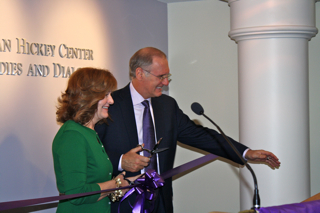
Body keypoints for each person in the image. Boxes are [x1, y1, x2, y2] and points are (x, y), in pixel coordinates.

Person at [95, 47, 281, 213]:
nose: (166, 82)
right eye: (161, 77)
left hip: (161, 201)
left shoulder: (167, 106)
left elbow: (200, 135)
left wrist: (246, 152)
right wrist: (120, 161)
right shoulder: (109, 105)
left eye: (167, 76)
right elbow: (90, 155)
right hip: (121, 203)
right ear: (140, 73)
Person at [52, 67, 137, 213]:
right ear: (87, 97)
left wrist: (131, 182)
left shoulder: (89, 132)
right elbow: (77, 194)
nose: (111, 100)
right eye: (105, 95)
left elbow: (94, 185)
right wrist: (115, 184)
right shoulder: (72, 135)